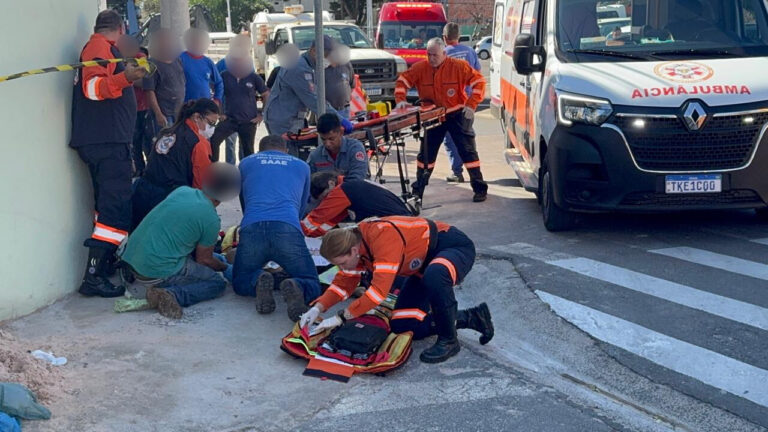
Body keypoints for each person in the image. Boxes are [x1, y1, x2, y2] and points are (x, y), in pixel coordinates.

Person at [300, 216, 494, 364]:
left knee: (435, 276)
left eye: (342, 263)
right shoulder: (356, 249)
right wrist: (317, 308)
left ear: (353, 251)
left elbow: (378, 293)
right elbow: (342, 285)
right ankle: (472, 317)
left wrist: (341, 317)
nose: (342, 268)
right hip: (421, 268)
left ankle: (449, 340)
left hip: (451, 246)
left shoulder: (381, 238)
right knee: (403, 325)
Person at [70, 9, 147, 298]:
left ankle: (101, 267)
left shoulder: (104, 50)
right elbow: (93, 89)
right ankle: (93, 276)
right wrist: (124, 78)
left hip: (106, 141)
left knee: (108, 207)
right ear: (121, 27)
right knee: (115, 208)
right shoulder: (98, 48)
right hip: (106, 142)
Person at [121, 163, 240, 319]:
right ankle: (172, 294)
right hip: (154, 272)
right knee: (216, 283)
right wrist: (224, 267)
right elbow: (204, 260)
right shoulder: (210, 219)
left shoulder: (182, 192)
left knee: (214, 258)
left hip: (131, 261)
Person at [233, 135, 321, 321]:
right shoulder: (302, 165)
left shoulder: (246, 163)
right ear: (286, 150)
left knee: (240, 281)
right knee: (311, 282)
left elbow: (244, 200)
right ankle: (297, 284)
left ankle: (258, 279)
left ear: (259, 150)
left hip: (252, 225)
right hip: (287, 226)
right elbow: (302, 204)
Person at [395, 38, 488, 203]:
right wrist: (401, 99)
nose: (431, 58)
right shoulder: (420, 68)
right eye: (428, 54)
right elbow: (403, 81)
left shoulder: (458, 67)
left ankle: (479, 188)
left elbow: (479, 82)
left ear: (444, 53)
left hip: (456, 114)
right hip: (432, 117)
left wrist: (472, 105)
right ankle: (418, 192)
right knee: (426, 156)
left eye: (435, 55)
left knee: (468, 152)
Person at [131, 99, 220, 229]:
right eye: (211, 123)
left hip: (143, 193)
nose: (212, 128)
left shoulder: (167, 132)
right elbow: (201, 184)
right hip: (170, 200)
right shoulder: (198, 143)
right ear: (196, 117)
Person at [264, 35, 353, 154]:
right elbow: (314, 100)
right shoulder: (298, 68)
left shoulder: (307, 65)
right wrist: (339, 119)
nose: (328, 62)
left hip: (292, 118)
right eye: (326, 57)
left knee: (297, 154)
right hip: (283, 120)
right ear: (314, 51)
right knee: (288, 158)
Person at [301, 171, 411, 237]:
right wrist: (312, 235)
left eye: (326, 196)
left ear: (331, 183)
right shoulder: (353, 186)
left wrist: (294, 233)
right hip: (402, 223)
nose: (327, 200)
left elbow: (319, 215)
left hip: (392, 227)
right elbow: (330, 221)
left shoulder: (344, 189)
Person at [208, 49, 269, 162]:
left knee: (248, 151)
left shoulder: (253, 77)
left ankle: (246, 173)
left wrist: (262, 114)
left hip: (249, 121)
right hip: (229, 119)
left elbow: (266, 94)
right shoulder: (224, 75)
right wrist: (219, 112)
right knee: (214, 140)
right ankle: (214, 168)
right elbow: (214, 90)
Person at [442, 22, 482, 184]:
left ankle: (457, 172)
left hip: (450, 105)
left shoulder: (442, 54)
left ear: (445, 38)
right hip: (468, 103)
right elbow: (477, 74)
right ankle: (474, 173)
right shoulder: (470, 52)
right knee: (467, 137)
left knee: (450, 139)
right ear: (458, 36)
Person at [215, 34, 253, 164]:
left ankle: (244, 165)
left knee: (245, 143)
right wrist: (220, 111)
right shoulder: (222, 64)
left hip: (245, 113)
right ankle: (230, 167)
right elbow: (215, 85)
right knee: (230, 141)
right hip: (229, 111)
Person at [143, 29, 186, 140]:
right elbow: (149, 91)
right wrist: (158, 114)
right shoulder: (151, 64)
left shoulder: (177, 61)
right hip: (164, 115)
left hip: (178, 112)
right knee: (163, 145)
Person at [116, 35, 150, 176]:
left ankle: (150, 169)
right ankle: (139, 169)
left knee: (147, 140)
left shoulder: (140, 57)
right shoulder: (117, 58)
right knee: (134, 140)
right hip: (129, 108)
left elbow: (144, 80)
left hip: (143, 105)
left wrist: (125, 77)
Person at [307, 113, 368, 180]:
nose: (327, 144)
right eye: (323, 139)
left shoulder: (355, 149)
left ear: (341, 133)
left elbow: (358, 179)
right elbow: (308, 181)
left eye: (331, 139)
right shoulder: (315, 155)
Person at [180, 28, 223, 103]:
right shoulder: (180, 59)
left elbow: (219, 83)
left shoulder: (208, 62)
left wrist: (217, 99)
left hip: (205, 106)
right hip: (186, 106)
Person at [325, 44, 355, 119]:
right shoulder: (321, 69)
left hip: (345, 109)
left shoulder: (346, 65)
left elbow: (352, 84)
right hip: (329, 111)